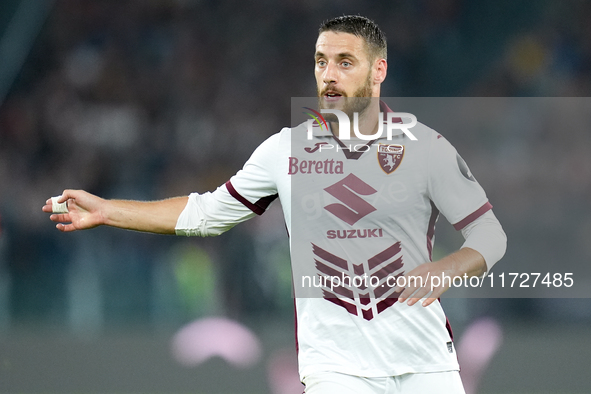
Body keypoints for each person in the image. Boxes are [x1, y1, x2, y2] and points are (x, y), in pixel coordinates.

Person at [43, 15, 506, 394]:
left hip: (427, 364)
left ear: (378, 70)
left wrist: (449, 268)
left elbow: (489, 235)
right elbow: (206, 214)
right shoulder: (283, 151)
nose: (329, 75)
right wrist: (107, 210)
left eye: (345, 62)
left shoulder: (426, 147)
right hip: (337, 371)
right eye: (322, 62)